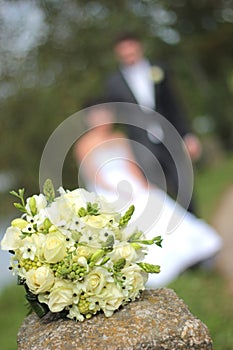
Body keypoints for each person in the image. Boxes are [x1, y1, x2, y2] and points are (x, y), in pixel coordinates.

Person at [73, 103, 222, 287]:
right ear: (89, 118)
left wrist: (143, 184)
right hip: (107, 188)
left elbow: (130, 164)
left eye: (106, 113)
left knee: (155, 201)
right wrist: (116, 190)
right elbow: (93, 174)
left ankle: (193, 254)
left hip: (130, 182)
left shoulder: (120, 137)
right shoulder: (84, 144)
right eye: (98, 114)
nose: (104, 118)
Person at [105, 32, 202, 213]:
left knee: (184, 187)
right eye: (123, 50)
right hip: (142, 146)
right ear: (117, 53)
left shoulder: (159, 69)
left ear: (138, 46)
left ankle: (200, 233)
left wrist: (187, 135)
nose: (128, 53)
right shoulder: (113, 83)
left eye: (130, 47)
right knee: (158, 197)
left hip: (170, 137)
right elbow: (118, 117)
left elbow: (174, 105)